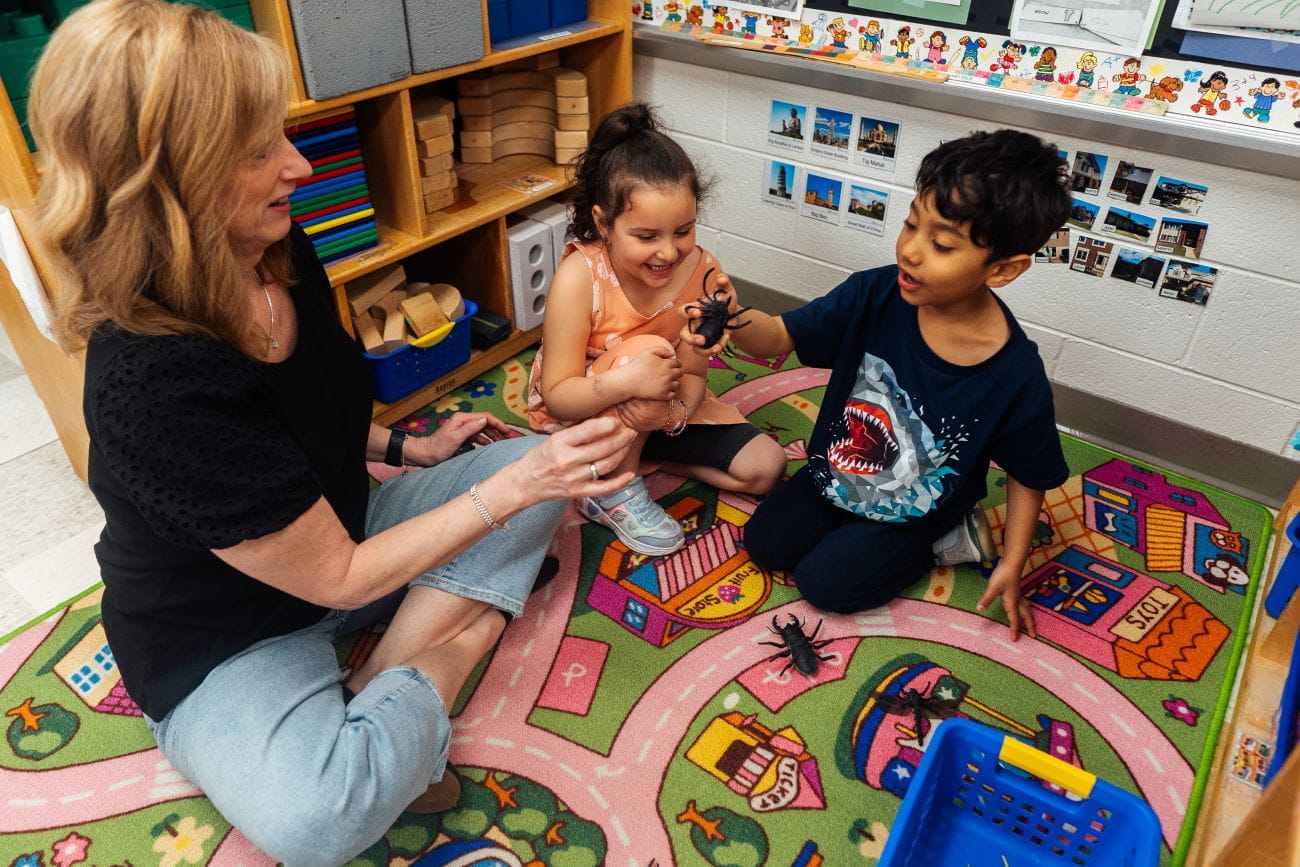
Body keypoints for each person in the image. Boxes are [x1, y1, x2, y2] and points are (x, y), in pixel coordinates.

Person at [27, 1, 635, 863]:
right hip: (223, 636)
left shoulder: (270, 247)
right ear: (172, 180)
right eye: (258, 150)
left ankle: (376, 677)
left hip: (338, 526)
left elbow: (300, 422)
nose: (300, 166)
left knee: (542, 469)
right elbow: (341, 577)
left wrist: (407, 451)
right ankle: (440, 659)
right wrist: (514, 492)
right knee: (318, 820)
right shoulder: (152, 382)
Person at [683, 130, 1072, 639]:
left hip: (913, 512)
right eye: (912, 224)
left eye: (941, 244)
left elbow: (1030, 473)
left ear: (1002, 269)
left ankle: (948, 535)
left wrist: (1014, 561)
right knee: (765, 543)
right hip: (834, 475)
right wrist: (733, 319)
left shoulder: (1013, 371)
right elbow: (780, 334)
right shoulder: (874, 292)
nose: (910, 250)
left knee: (825, 585)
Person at [526, 104, 786, 556]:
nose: (669, 252)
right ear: (604, 224)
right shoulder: (580, 274)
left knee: (766, 467)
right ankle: (608, 488)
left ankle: (642, 452)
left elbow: (693, 375)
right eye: (647, 237)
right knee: (648, 349)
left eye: (683, 231)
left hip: (662, 398)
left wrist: (673, 413)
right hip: (586, 404)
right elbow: (558, 395)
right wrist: (627, 382)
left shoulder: (703, 270)